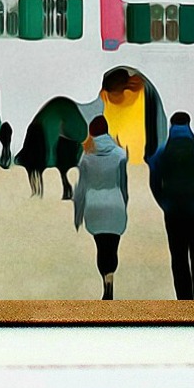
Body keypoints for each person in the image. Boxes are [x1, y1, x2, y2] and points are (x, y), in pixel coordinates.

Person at [149, 109, 194, 300]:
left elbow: (154, 183)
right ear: (189, 125)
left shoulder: (161, 153)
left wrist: (164, 203)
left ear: (171, 126)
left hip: (173, 212)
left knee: (178, 257)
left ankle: (184, 300)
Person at [71, 114, 130, 301]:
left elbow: (81, 188)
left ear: (92, 133)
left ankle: (105, 281)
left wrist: (78, 214)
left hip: (94, 206)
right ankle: (110, 277)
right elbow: (124, 185)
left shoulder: (86, 158)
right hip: (115, 204)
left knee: (101, 247)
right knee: (112, 247)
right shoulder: (120, 155)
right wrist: (124, 204)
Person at [16, 120, 48, 198]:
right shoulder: (42, 134)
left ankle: (34, 190)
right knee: (39, 175)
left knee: (31, 175)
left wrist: (18, 156)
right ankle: (39, 191)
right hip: (39, 158)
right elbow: (44, 149)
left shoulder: (31, 130)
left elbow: (26, 146)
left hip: (30, 158)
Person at [54, 134, 79, 201]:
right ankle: (69, 191)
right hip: (69, 157)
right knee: (67, 174)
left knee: (64, 174)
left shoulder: (61, 139)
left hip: (63, 158)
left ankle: (67, 191)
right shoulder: (73, 139)